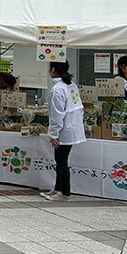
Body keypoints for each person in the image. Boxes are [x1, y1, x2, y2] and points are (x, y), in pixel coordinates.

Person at [41, 61, 85, 202]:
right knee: (60, 159)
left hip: (64, 129)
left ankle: (65, 192)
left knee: (61, 161)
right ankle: (57, 188)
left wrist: (53, 134)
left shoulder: (57, 90)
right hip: (72, 127)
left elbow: (57, 115)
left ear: (53, 70)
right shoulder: (71, 85)